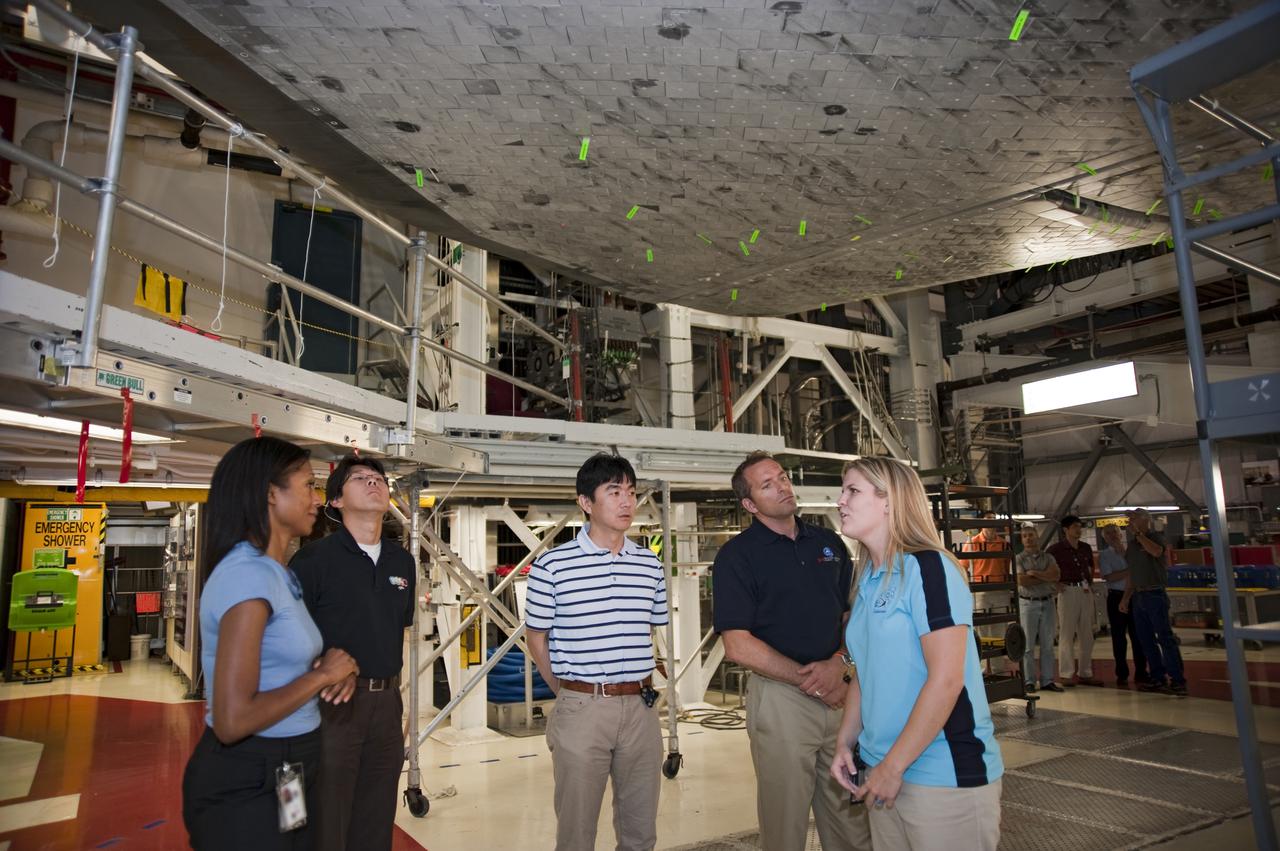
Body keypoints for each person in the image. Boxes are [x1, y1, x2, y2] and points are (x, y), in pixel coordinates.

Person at [183, 437, 359, 851]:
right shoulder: (250, 576)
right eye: (308, 486)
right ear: (269, 493)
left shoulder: (278, 572)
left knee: (295, 841)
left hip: (288, 770)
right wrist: (322, 678)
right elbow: (231, 720)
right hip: (249, 778)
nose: (317, 499)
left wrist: (328, 672)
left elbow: (282, 659)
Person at [831, 458, 1003, 851]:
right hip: (882, 770)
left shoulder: (929, 568)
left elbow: (946, 679)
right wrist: (846, 741)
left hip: (941, 772)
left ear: (889, 500)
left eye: (852, 491)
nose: (840, 500)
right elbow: (865, 670)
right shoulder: (870, 578)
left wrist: (894, 766)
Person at [712, 451, 871, 851]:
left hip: (840, 694)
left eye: (782, 477)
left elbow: (850, 614)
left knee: (851, 819)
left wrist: (840, 664)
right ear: (749, 504)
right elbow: (737, 644)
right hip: (782, 700)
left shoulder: (828, 542)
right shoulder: (737, 557)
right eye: (767, 484)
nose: (782, 487)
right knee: (784, 824)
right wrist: (814, 680)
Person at [525, 453, 668, 851]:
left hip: (640, 708)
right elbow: (537, 637)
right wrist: (569, 690)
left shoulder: (649, 564)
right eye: (614, 491)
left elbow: (651, 628)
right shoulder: (552, 566)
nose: (627, 502)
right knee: (577, 831)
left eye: (632, 492)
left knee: (641, 831)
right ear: (586, 502)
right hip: (582, 706)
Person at [290, 455, 416, 851]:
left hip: (387, 705)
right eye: (360, 478)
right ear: (337, 501)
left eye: (379, 478)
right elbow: (285, 636)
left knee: (377, 816)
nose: (374, 482)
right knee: (327, 816)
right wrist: (321, 670)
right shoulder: (313, 561)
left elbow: (398, 627)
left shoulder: (402, 562)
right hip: (331, 705)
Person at [1119, 509, 1187, 696]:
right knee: (1146, 640)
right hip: (1139, 597)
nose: (1130, 521)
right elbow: (1132, 573)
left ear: (1145, 520)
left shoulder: (1155, 538)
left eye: (1134, 517)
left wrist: (1139, 535)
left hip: (1155, 594)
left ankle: (1177, 680)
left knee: (1165, 637)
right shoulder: (1132, 545)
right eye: (1129, 519)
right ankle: (1158, 677)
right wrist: (1126, 598)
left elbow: (1156, 552)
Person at [1047, 515, 1102, 687]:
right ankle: (1066, 673)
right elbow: (1046, 568)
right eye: (1075, 527)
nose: (1079, 530)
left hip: (1085, 590)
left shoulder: (1085, 548)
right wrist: (1055, 584)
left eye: (1080, 526)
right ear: (1066, 530)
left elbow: (1090, 567)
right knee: (1067, 633)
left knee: (1087, 634)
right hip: (1067, 590)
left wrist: (1090, 582)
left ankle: (1085, 672)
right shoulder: (1055, 550)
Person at [1099, 524, 1148, 688]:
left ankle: (1142, 671)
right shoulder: (1104, 556)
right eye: (1108, 534)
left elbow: (1140, 571)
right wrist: (1130, 570)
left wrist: (1129, 570)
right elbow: (1110, 577)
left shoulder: (1132, 550)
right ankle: (1122, 673)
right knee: (1118, 638)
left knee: (1138, 635)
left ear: (1121, 534)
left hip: (1135, 596)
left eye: (1115, 532)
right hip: (1115, 597)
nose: (1112, 535)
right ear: (1104, 537)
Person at [1015, 526, 1062, 693]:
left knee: (1048, 644)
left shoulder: (1048, 557)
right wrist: (1045, 576)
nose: (1028, 539)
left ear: (1037, 537)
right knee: (1027, 645)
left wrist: (1035, 573)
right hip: (1028, 604)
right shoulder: (1018, 559)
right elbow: (1022, 581)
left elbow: (1056, 575)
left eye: (1031, 535)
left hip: (1047, 603)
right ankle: (1029, 680)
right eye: (1025, 536)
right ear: (1022, 540)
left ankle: (1047, 680)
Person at [961, 511, 1007, 583]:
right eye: (988, 518)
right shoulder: (972, 543)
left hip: (1000, 586)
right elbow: (962, 567)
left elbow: (1007, 567)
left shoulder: (1003, 543)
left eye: (994, 518)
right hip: (980, 587)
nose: (992, 520)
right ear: (981, 522)